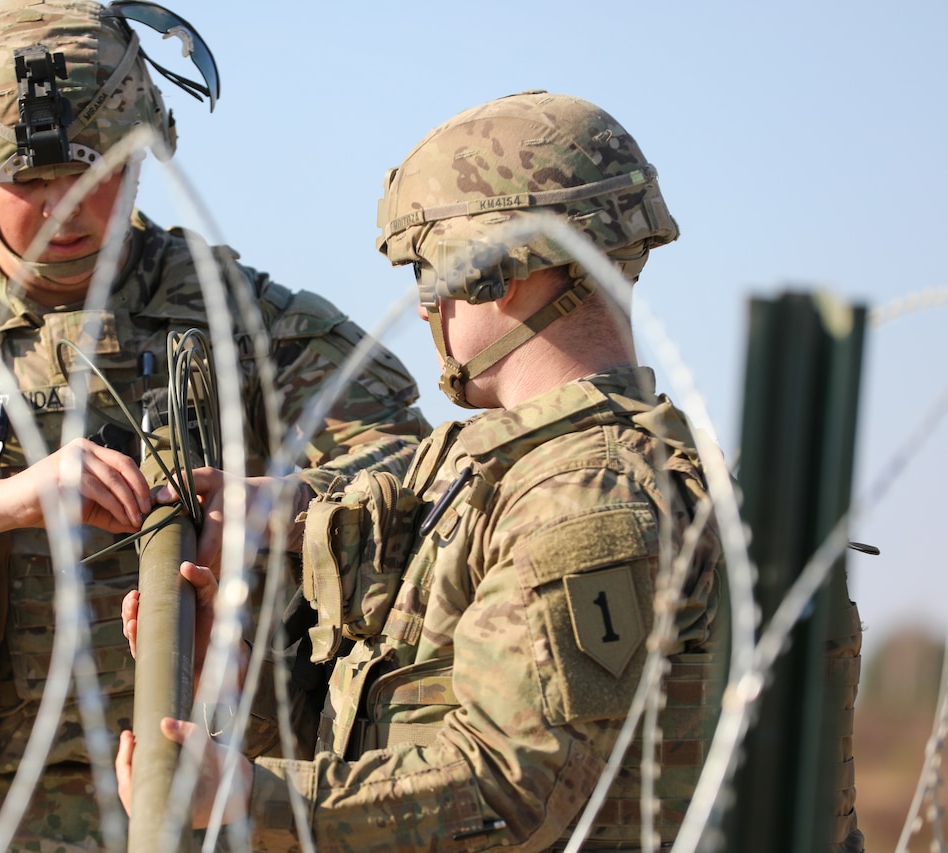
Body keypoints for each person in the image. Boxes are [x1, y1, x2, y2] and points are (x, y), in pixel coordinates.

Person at [0, 0, 430, 849]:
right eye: (29, 182)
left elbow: (419, 482)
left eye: (94, 172)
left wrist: (272, 505)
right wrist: (11, 500)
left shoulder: (257, 326)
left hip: (223, 802)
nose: (64, 210)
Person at [118, 90, 733, 850]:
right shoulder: (484, 471)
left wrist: (248, 789)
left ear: (496, 272)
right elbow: (389, 740)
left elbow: (510, 791)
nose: (421, 308)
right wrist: (240, 679)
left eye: (428, 268)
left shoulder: (586, 500)